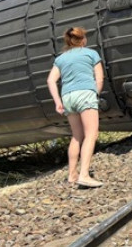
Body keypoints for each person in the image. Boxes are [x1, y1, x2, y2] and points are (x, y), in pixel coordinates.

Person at [46, 27, 104, 188]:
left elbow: (51, 80)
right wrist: (94, 94)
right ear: (83, 39)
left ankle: (72, 174)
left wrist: (58, 101)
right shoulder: (91, 54)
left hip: (67, 97)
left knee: (77, 136)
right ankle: (84, 175)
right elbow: (99, 79)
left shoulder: (61, 58)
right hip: (85, 93)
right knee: (91, 134)